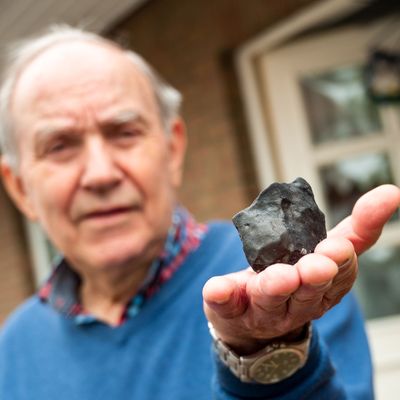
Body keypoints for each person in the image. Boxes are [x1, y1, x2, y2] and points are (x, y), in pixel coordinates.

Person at [0, 25, 398, 400]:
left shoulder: (294, 290)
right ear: (19, 187)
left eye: (124, 133)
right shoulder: (12, 353)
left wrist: (265, 350)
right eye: (59, 146)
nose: (101, 174)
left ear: (172, 149)